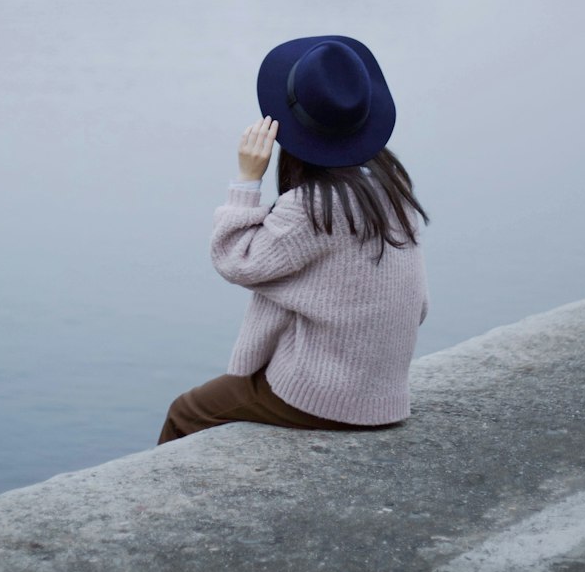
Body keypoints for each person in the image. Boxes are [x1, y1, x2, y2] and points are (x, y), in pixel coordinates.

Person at [157, 34, 429, 444]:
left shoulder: (312, 205)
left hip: (324, 398)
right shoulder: (391, 189)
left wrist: (248, 178)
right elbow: (420, 305)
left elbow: (236, 259)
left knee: (185, 412)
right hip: (385, 395)